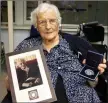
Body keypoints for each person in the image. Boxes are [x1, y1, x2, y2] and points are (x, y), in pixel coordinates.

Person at [2, 3, 107, 103]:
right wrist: (12, 81)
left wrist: (93, 73)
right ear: (36, 26)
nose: (48, 26)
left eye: (52, 21)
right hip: (37, 97)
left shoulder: (75, 44)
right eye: (42, 22)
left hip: (80, 97)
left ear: (58, 23)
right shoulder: (26, 46)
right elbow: (10, 85)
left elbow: (94, 83)